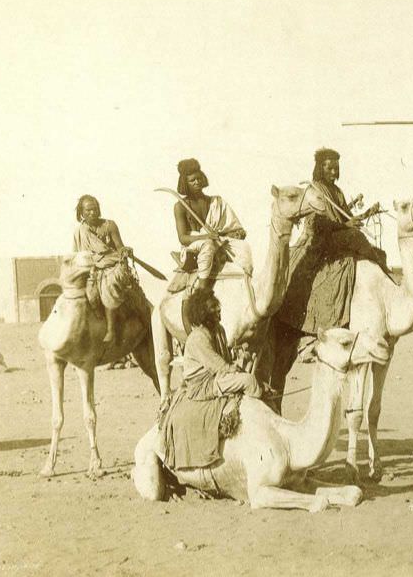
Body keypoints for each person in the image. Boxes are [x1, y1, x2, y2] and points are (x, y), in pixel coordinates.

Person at [259, 147, 384, 401]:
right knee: (356, 238)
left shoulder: (336, 191)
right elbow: (320, 223)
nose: (334, 170)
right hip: (319, 244)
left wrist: (363, 215)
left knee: (371, 250)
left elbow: (340, 217)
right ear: (319, 167)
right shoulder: (315, 190)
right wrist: (348, 225)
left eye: (336, 165)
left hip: (336, 239)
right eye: (329, 166)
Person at [158, 287, 264, 470]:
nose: (218, 310)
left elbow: (226, 360)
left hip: (216, 378)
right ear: (202, 313)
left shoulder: (219, 331)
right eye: (213, 308)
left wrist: (241, 358)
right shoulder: (198, 338)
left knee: (250, 376)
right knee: (249, 382)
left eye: (217, 307)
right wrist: (238, 369)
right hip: (203, 386)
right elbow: (220, 367)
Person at [173, 157, 250, 332]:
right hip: (195, 245)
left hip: (218, 242)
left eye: (199, 178)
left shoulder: (216, 202)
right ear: (184, 183)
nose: (197, 182)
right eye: (192, 180)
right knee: (207, 244)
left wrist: (235, 232)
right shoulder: (180, 206)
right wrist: (206, 236)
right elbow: (183, 238)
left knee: (244, 250)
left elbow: (231, 226)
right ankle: (201, 289)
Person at [73, 194, 135, 344]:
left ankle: (111, 330)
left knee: (108, 287)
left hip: (110, 265)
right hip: (90, 267)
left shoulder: (109, 225)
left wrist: (125, 251)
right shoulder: (79, 231)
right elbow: (77, 254)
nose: (92, 213)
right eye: (87, 210)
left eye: (94, 209)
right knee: (85, 294)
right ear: (81, 213)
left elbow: (119, 247)